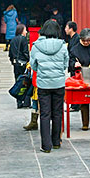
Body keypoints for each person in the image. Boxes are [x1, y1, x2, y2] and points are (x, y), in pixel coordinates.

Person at [30, 19, 69, 153]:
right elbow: (65, 65)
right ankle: (56, 141)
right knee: (57, 113)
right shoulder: (63, 46)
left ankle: (46, 146)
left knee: (45, 114)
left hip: (43, 84)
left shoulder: (36, 46)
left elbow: (33, 65)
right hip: (59, 83)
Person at [9, 24, 30, 108]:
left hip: (16, 63)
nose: (26, 32)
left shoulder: (13, 40)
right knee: (25, 82)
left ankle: (19, 101)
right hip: (23, 63)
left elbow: (10, 53)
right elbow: (25, 52)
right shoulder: (23, 39)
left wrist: (12, 61)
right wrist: (28, 59)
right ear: (21, 30)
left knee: (18, 82)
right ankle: (25, 101)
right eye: (25, 30)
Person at [65, 21, 81, 112]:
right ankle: (74, 104)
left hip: (76, 65)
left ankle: (76, 104)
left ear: (71, 29)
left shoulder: (77, 38)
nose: (65, 29)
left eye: (66, 27)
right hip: (72, 65)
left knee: (76, 85)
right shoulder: (71, 38)